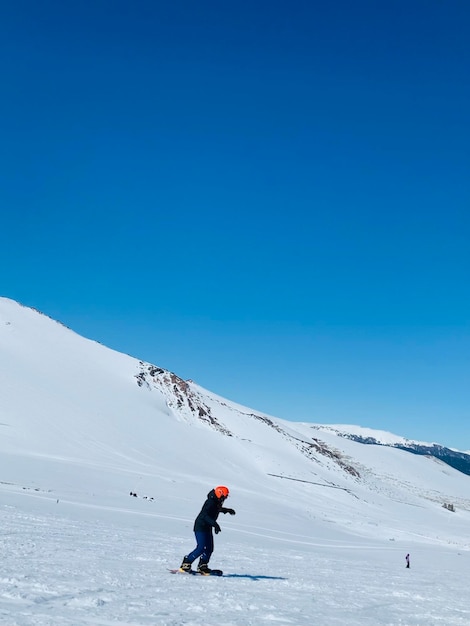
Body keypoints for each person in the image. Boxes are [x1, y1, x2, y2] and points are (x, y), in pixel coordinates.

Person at [179, 485, 236, 575]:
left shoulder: (216, 501)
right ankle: (186, 563)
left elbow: (216, 509)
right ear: (220, 493)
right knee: (201, 547)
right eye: (224, 496)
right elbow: (205, 516)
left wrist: (227, 510)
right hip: (200, 526)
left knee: (209, 548)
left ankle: (202, 566)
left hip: (207, 526)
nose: (225, 498)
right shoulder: (210, 502)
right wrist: (215, 524)